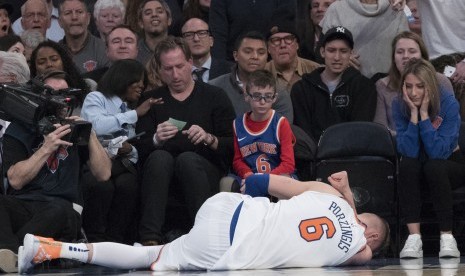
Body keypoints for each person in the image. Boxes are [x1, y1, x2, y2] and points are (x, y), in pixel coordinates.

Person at [17, 171, 389, 273]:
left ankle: (49, 248)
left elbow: (259, 182)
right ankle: (50, 249)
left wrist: (344, 194)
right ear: (371, 234)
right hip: (233, 251)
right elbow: (365, 253)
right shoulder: (359, 250)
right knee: (152, 257)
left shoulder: (327, 191)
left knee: (151, 253)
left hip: (228, 208)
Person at [0, 71, 111, 274]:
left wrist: (90, 133)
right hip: (26, 203)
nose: (61, 100)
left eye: (65, 93)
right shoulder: (18, 129)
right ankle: (11, 255)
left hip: (63, 208)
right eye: (55, 94)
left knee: (57, 210)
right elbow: (15, 181)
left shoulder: (77, 129)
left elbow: (103, 174)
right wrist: (46, 148)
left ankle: (10, 254)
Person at [135, 36, 236, 245]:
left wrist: (209, 138)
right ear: (160, 70)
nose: (175, 74)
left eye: (180, 66)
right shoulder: (152, 100)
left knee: (187, 160)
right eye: (168, 69)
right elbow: (137, 148)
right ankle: (149, 238)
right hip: (161, 169)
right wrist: (155, 139)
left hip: (203, 166)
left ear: (191, 63)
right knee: (160, 156)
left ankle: (205, 236)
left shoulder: (214, 96)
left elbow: (232, 144)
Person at [80, 59, 161, 244]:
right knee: (102, 185)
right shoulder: (97, 98)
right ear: (123, 77)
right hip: (95, 164)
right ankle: (95, 240)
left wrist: (130, 148)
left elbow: (135, 146)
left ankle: (116, 241)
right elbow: (96, 126)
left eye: (143, 81)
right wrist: (134, 114)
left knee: (127, 184)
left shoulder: (129, 107)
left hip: (122, 165)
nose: (142, 85)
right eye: (137, 80)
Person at [393, 58, 465, 259]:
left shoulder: (449, 104)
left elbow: (438, 152)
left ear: (431, 87)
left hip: (450, 163)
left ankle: (447, 237)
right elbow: (408, 151)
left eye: (420, 86)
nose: (413, 93)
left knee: (434, 166)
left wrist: (425, 115)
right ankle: (414, 238)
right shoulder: (399, 104)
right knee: (407, 165)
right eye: (408, 86)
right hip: (418, 164)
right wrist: (414, 116)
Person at [291, 26, 377, 143]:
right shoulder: (301, 89)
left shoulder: (364, 87)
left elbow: (360, 132)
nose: (337, 57)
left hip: (352, 157)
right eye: (331, 50)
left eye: (343, 51)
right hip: (313, 158)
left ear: (351, 53)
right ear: (322, 52)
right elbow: (303, 135)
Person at [373, 31, 453, 136]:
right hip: (396, 146)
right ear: (394, 58)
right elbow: (381, 130)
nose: (406, 56)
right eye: (400, 52)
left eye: (412, 51)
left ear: (423, 57)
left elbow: (450, 122)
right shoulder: (382, 85)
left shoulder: (441, 81)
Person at [209, 31, 294, 123]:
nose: (255, 56)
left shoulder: (279, 91)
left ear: (267, 57)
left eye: (261, 53)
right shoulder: (214, 87)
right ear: (236, 55)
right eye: (248, 52)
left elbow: (283, 130)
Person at [232, 69, 295, 185]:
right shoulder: (238, 124)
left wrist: (263, 181)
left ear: (275, 98)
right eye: (257, 96)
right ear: (247, 96)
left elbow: (288, 164)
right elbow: (237, 160)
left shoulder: (281, 123)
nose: (262, 102)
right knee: (227, 182)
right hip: (249, 178)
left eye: (268, 96)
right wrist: (248, 175)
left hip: (277, 178)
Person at [320, 0, 409, 78]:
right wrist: (341, 58)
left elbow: (407, 51)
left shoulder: (397, 8)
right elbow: (323, 52)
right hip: (348, 85)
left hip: (390, 87)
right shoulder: (336, 9)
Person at [209, 0, 297, 62]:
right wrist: (220, 67)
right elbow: (218, 36)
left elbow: (285, 30)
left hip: (272, 65)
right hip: (232, 64)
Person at [264, 18, 320, 94]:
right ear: (268, 48)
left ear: (297, 45)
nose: (283, 45)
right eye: (276, 40)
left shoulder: (317, 71)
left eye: (288, 39)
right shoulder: (261, 73)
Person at [29, 40, 90, 109]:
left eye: (54, 59)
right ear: (35, 70)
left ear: (64, 62)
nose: (49, 64)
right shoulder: (29, 97)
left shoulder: (87, 94)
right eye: (41, 62)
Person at [58, 0, 110, 74]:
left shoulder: (104, 50)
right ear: (60, 22)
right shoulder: (54, 52)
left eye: (79, 12)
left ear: (88, 18)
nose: (74, 17)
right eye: (68, 13)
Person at [181, 17, 233, 83]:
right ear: (182, 42)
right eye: (189, 35)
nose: (196, 39)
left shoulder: (230, 70)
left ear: (211, 41)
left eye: (202, 33)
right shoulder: (175, 73)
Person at [135, 0, 172, 65]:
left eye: (160, 11)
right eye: (148, 13)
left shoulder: (180, 48)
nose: (154, 15)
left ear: (169, 20)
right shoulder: (134, 51)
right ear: (141, 23)